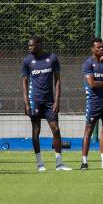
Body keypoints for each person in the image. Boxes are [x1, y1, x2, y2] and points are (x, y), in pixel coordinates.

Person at [21, 36, 71, 171]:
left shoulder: (52, 58)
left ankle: (59, 163)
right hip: (35, 101)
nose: (29, 47)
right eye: (28, 45)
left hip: (49, 102)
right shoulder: (27, 60)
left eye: (31, 45)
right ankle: (40, 164)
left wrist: (57, 101)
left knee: (56, 129)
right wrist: (26, 103)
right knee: (36, 131)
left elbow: (58, 81)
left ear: (39, 45)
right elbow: (24, 83)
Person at [80, 38, 103, 170]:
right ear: (92, 49)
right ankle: (84, 161)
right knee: (88, 131)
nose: (101, 49)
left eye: (102, 47)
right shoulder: (88, 64)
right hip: (94, 103)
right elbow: (92, 84)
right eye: (98, 47)